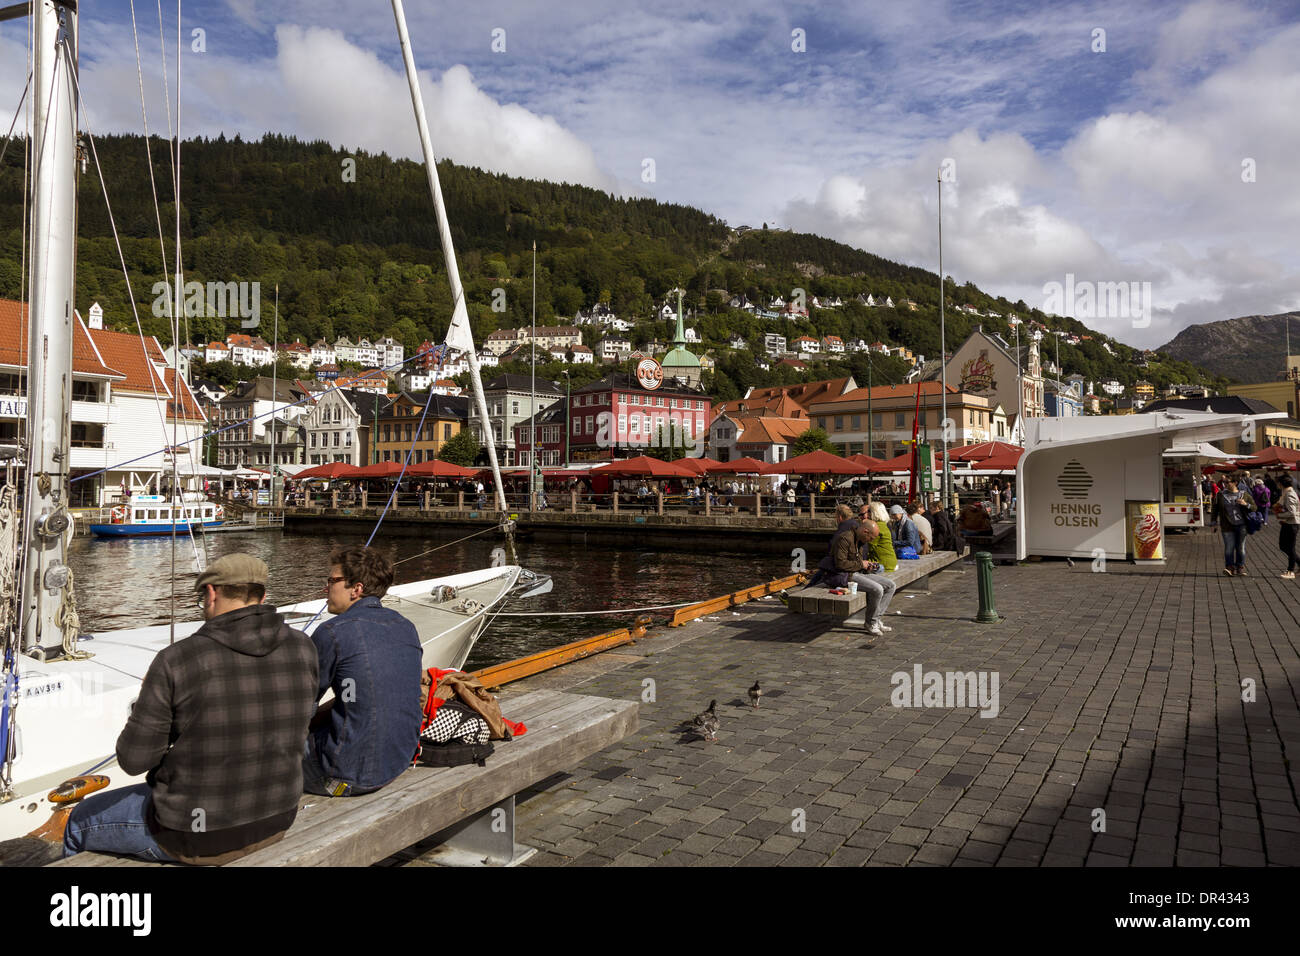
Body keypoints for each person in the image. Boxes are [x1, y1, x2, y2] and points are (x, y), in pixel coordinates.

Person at [64, 555, 318, 864]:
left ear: (211, 593)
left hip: (194, 836)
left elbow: (134, 760)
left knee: (78, 819)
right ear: (262, 596)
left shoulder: (177, 659)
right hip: (276, 820)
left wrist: (152, 699)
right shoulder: (303, 646)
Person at [304, 546, 423, 797]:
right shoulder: (406, 626)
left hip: (344, 777)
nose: (326, 588)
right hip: (397, 762)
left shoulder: (332, 632)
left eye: (332, 580)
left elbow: (301, 706)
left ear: (356, 589)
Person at [1211, 476, 1255, 576]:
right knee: (1229, 547)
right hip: (1227, 526)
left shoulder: (1244, 494)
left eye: (1227, 482)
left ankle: (1240, 567)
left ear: (1235, 483)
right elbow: (1215, 509)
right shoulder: (1220, 495)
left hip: (1242, 525)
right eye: (1224, 482)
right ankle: (1229, 568)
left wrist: (1245, 504)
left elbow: (1254, 507)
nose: (1225, 484)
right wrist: (1214, 523)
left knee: (1241, 548)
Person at [1273, 474, 1299, 579]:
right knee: (1283, 546)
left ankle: (1290, 571)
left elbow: (1292, 512)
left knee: (1290, 547)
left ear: (1282, 483)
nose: (1277, 484)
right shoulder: (1285, 492)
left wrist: (1279, 515)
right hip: (1287, 523)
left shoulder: (1290, 494)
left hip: (1292, 523)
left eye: (1278, 482)